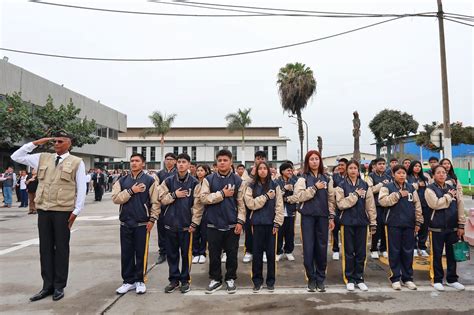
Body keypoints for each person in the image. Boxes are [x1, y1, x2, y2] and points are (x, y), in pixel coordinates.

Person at [11, 131, 86, 301]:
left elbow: (81, 187)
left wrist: (76, 211)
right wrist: (36, 142)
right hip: (44, 209)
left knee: (61, 248)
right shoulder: (43, 157)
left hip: (63, 211)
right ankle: (47, 286)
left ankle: (59, 286)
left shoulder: (76, 162)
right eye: (55, 141)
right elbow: (17, 156)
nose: (56, 144)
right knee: (45, 248)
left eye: (61, 141)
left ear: (69, 143)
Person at [197, 149, 245, 294]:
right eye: (220, 160)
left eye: (225, 160)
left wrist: (240, 221)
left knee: (232, 254)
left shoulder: (238, 180)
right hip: (213, 223)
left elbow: (241, 203)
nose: (222, 163)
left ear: (231, 162)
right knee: (214, 254)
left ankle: (230, 278)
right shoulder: (208, 179)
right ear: (216, 163)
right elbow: (203, 198)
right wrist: (222, 194)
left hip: (232, 224)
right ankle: (215, 279)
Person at [112, 153, 160, 295]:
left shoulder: (150, 180)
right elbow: (116, 199)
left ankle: (139, 280)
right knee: (126, 253)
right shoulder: (122, 180)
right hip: (125, 222)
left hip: (142, 223)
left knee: (141, 253)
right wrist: (131, 191)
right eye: (132, 161)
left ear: (143, 164)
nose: (134, 163)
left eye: (137, 161)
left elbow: (155, 202)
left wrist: (152, 219)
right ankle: (128, 281)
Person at [288, 150, 335, 293]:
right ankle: (311, 278)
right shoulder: (303, 179)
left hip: (322, 217)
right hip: (308, 217)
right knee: (308, 248)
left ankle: (321, 279)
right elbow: (298, 197)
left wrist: (331, 216)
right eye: (311, 159)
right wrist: (314, 188)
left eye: (317, 159)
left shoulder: (327, 179)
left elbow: (331, 199)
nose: (314, 161)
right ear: (307, 162)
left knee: (322, 248)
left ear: (320, 161)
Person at [158, 153, 200, 294]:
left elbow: (198, 206)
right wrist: (174, 195)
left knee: (186, 255)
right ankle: (174, 280)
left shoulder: (194, 183)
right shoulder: (168, 181)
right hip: (170, 225)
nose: (181, 164)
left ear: (189, 165)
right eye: (179, 162)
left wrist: (194, 223)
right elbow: (162, 198)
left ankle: (185, 280)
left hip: (186, 226)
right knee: (172, 255)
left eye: (184, 162)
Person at [379, 165, 423, 291]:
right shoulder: (386, 187)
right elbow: (383, 201)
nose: (402, 175)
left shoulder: (411, 188)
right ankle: (395, 278)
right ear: (393, 174)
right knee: (394, 252)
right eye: (399, 173)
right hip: (393, 224)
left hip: (409, 224)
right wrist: (397, 195)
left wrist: (418, 221)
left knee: (408, 252)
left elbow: (417, 205)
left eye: (403, 173)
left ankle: (407, 278)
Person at [335, 160, 376, 292]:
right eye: (350, 168)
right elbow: (341, 204)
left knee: (361, 252)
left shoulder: (365, 185)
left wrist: (373, 221)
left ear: (358, 170)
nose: (353, 170)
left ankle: (359, 278)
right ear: (346, 170)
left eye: (355, 168)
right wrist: (355, 195)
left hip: (362, 223)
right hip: (347, 222)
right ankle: (349, 279)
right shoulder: (341, 185)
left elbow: (370, 205)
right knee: (348, 252)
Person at [244, 161, 284, 293]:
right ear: (256, 171)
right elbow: (250, 204)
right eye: (259, 168)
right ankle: (257, 281)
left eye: (264, 168)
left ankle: (271, 281)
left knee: (271, 255)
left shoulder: (275, 185)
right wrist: (266, 196)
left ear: (268, 170)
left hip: (271, 225)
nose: (262, 171)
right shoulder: (251, 186)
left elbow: (279, 205)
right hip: (256, 224)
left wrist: (277, 222)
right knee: (257, 254)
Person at [425, 165, 466, 292]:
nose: (442, 175)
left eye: (444, 172)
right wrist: (448, 197)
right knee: (436, 255)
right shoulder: (429, 189)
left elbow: (460, 206)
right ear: (433, 175)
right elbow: (435, 204)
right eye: (438, 173)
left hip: (452, 227)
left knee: (452, 255)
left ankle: (452, 279)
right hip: (436, 228)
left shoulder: (453, 189)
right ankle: (437, 279)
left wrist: (461, 225)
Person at [242, 151, 267, 264]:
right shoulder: (247, 172)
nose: (260, 160)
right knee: (249, 230)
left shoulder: (269, 171)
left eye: (262, 158)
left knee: (265, 230)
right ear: (254, 160)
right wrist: (252, 174)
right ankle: (249, 251)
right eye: (258, 158)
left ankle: (264, 251)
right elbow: (242, 186)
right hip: (251, 206)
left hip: (266, 206)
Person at [367, 158, 391, 259]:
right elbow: (370, 190)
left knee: (385, 227)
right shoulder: (370, 176)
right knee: (376, 227)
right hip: (375, 206)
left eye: (383, 164)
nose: (382, 166)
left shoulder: (388, 177)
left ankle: (383, 248)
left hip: (386, 206)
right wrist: (381, 184)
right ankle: (373, 249)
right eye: (379, 164)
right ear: (375, 166)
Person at [156, 153, 178, 265]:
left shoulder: (178, 174)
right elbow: (155, 190)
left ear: (175, 161)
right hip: (162, 207)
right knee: (161, 231)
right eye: (167, 159)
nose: (169, 161)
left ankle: (173, 252)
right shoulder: (159, 174)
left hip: (175, 206)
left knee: (174, 231)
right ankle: (162, 252)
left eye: (171, 159)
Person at [275, 162, 297, 262]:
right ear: (282, 171)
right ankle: (278, 252)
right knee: (279, 233)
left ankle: (288, 251)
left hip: (290, 211)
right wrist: (284, 189)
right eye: (288, 170)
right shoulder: (276, 182)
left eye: (291, 170)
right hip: (279, 213)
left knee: (290, 233)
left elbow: (297, 196)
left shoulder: (295, 181)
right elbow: (275, 195)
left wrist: (287, 198)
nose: (290, 172)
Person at [407, 161, 430, 257]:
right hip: (413, 205)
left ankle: (422, 247)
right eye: (415, 166)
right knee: (414, 227)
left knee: (424, 227)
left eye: (419, 166)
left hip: (425, 205)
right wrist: (418, 185)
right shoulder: (407, 177)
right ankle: (414, 247)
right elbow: (408, 188)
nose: (417, 168)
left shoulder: (424, 178)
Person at [192, 164, 212, 264]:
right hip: (195, 212)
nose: (199, 172)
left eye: (202, 170)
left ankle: (202, 253)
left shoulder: (209, 182)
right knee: (195, 233)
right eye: (198, 170)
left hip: (206, 212)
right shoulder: (194, 183)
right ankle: (195, 253)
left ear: (206, 172)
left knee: (204, 234)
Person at [331, 158, 348, 261]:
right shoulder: (334, 177)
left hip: (348, 208)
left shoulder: (351, 177)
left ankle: (346, 250)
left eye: (342, 165)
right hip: (337, 208)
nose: (340, 167)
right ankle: (335, 250)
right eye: (339, 165)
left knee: (346, 231)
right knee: (335, 230)